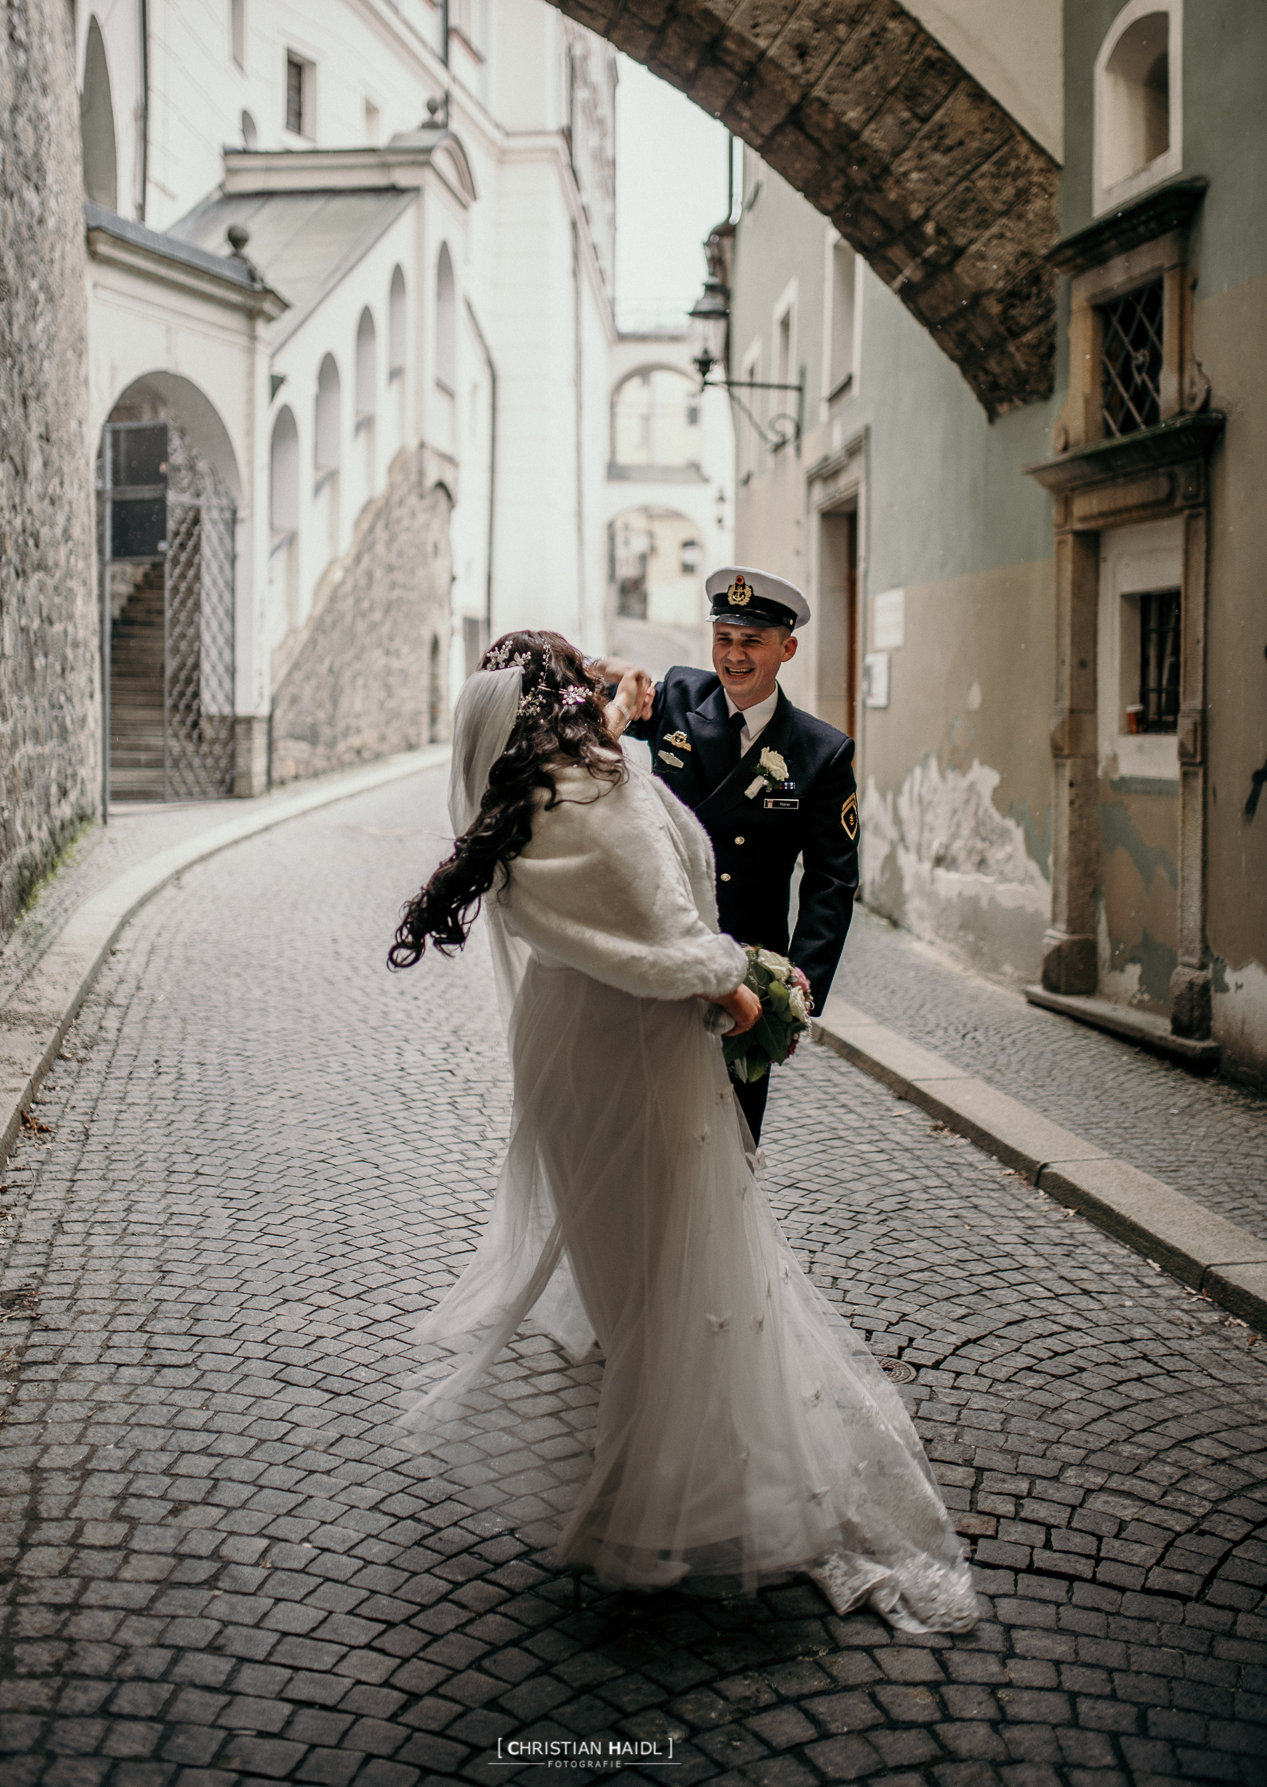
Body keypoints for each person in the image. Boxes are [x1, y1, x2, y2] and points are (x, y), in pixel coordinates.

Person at [388, 630, 977, 1630]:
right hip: (637, 1051)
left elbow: (622, 900)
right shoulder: (597, 794)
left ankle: (666, 1472)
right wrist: (744, 993)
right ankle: (678, 1497)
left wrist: (613, 708)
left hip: (570, 1054)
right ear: (563, 702)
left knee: (633, 1268)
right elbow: (658, 935)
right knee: (683, 1269)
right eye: (582, 683)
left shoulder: (528, 795)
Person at [594, 567, 858, 1145]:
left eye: (752, 642)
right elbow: (579, 696)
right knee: (646, 1132)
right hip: (659, 950)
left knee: (731, 1139)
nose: (734, 656)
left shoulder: (822, 753)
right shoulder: (679, 699)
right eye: (724, 639)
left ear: (786, 648)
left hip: (746, 971)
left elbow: (831, 881)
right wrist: (607, 672)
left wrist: (800, 987)